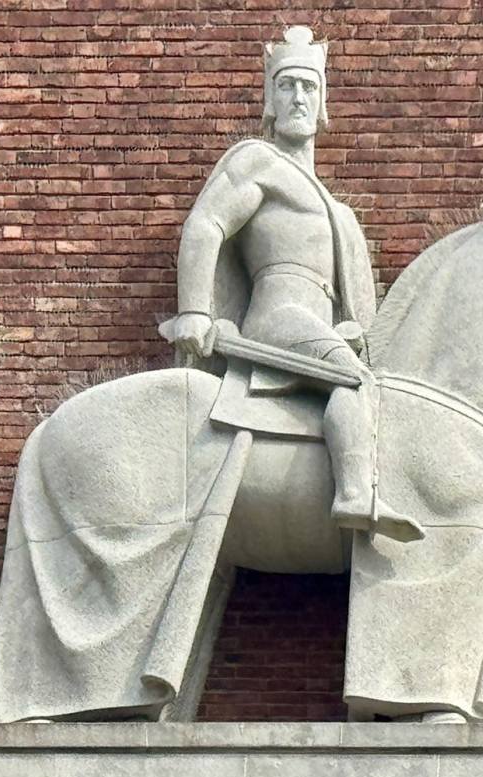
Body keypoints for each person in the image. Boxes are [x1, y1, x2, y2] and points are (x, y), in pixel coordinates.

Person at [166, 25, 423, 543]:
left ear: (323, 102)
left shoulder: (339, 212)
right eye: (286, 86)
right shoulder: (257, 162)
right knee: (353, 379)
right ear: (271, 99)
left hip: (318, 322)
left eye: (309, 86)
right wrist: (193, 310)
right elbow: (207, 224)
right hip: (277, 317)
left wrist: (356, 331)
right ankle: (354, 494)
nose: (298, 97)